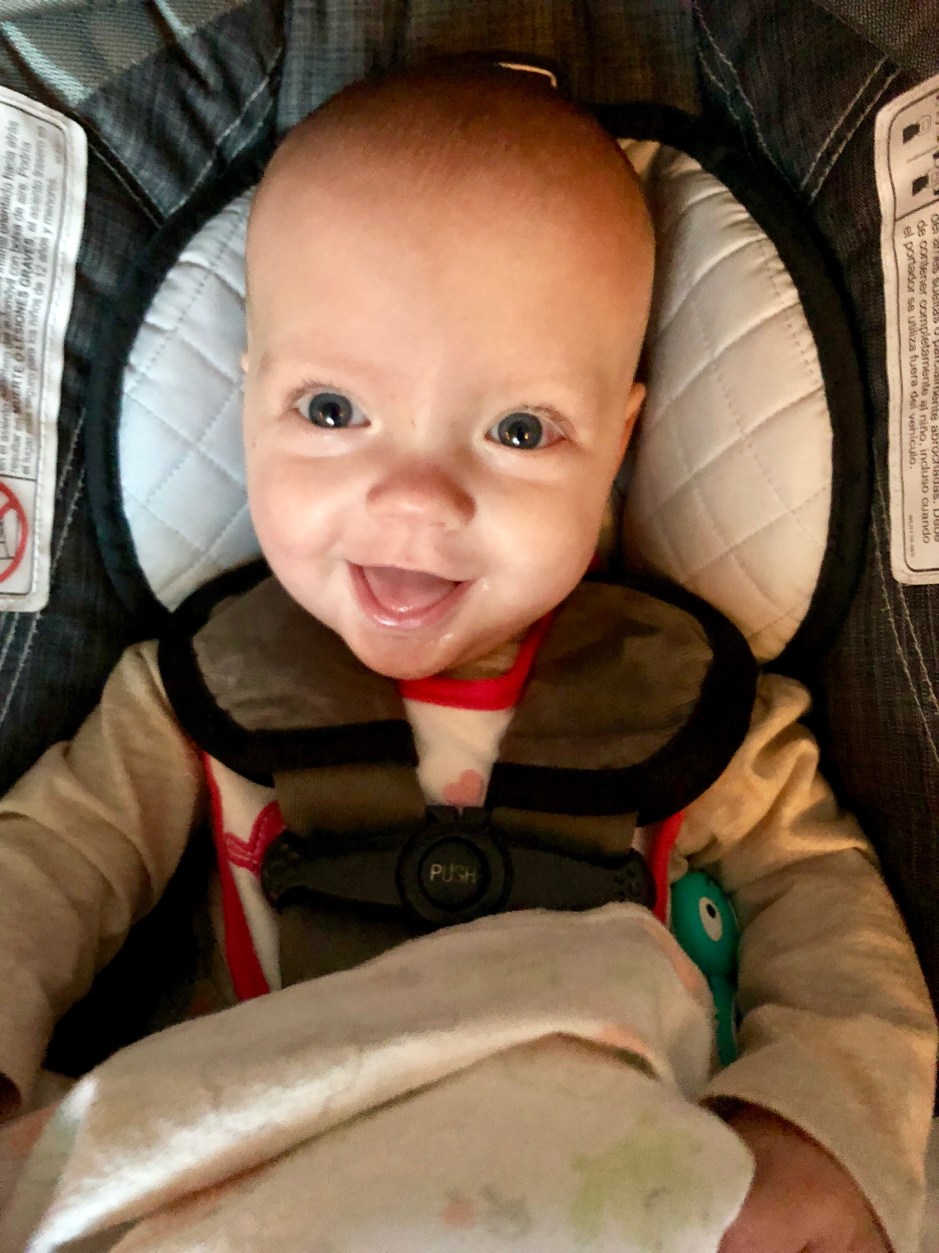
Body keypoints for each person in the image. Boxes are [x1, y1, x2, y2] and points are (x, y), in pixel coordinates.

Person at [0, 60, 934, 1253]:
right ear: (247, 405)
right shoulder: (197, 693)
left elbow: (828, 917)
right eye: (331, 411)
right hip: (277, 1170)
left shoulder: (694, 710)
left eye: (518, 429)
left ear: (619, 448)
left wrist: (818, 1126)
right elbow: (42, 870)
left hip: (605, 1175)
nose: (417, 497)